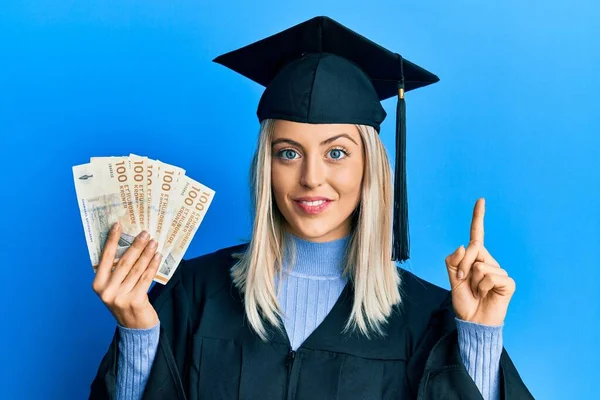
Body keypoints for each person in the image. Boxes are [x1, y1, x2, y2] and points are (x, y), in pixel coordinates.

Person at [89, 16, 533, 400]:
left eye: (336, 153)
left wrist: (478, 338)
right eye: (288, 152)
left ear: (370, 169)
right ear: (266, 167)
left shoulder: (426, 318)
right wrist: (138, 333)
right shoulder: (193, 294)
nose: (311, 178)